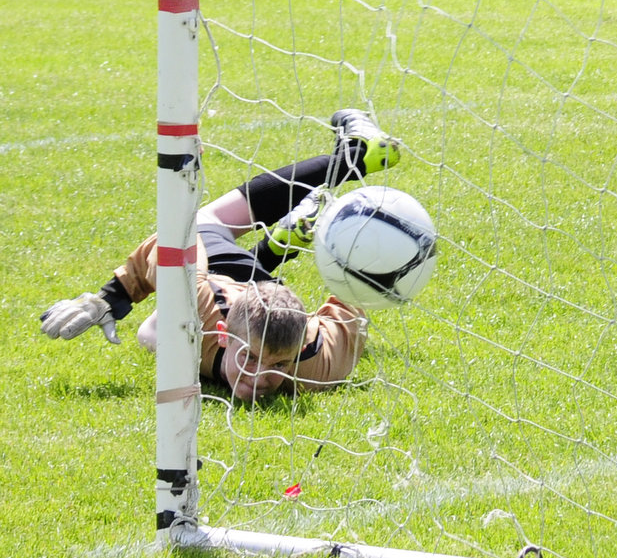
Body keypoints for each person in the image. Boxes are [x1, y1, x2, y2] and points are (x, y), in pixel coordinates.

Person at [40, 109, 400, 402]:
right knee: (199, 223)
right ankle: (355, 156)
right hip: (223, 283)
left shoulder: (316, 367)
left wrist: (352, 245)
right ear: (224, 336)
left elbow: (352, 299)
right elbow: (175, 240)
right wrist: (111, 298)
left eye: (279, 365)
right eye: (252, 357)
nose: (260, 378)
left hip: (261, 301)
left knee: (152, 335)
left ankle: (278, 242)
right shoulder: (197, 305)